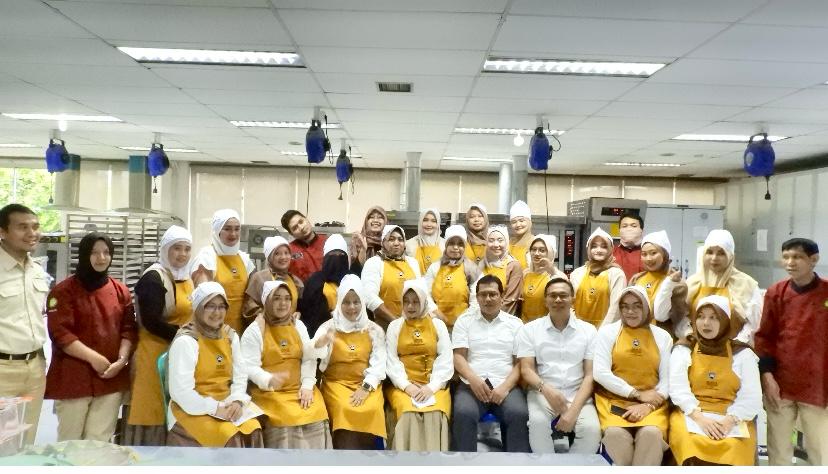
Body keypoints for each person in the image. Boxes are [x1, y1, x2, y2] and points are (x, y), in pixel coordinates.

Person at [44, 232, 137, 442]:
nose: (101, 258)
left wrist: (122, 360)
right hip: (73, 378)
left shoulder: (120, 291)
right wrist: (93, 358)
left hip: (110, 377)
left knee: (99, 441)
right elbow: (60, 333)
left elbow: (129, 329)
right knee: (70, 441)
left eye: (106, 252)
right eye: (94, 252)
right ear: (84, 254)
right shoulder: (63, 291)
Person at [755, 238, 828, 466]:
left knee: (820, 451)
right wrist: (767, 376)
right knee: (778, 451)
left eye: (797, 257)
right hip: (781, 384)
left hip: (818, 386)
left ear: (814, 260)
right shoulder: (776, 293)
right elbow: (764, 337)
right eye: (786, 257)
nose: (790, 262)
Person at [167, 282, 262, 447]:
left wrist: (237, 401)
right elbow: (181, 393)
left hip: (226, 402)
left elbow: (240, 375)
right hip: (192, 408)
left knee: (254, 429)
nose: (217, 312)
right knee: (229, 436)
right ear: (198, 308)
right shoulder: (187, 341)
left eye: (221, 307)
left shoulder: (230, 336)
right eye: (210, 306)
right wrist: (215, 407)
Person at [669, 295, 761, 466]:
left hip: (732, 418)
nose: (706, 323)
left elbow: (752, 397)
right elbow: (678, 389)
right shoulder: (684, 348)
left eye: (713, 317)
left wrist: (729, 421)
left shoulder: (742, 353)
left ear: (725, 320)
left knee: (735, 447)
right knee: (689, 442)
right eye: (701, 316)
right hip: (691, 414)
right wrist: (700, 419)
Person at [241, 280, 330, 449]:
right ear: (267, 301)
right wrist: (268, 379)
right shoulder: (255, 330)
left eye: (287, 298)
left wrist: (307, 386)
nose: (283, 303)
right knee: (286, 418)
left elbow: (308, 358)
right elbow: (249, 366)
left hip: (299, 390)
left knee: (317, 413)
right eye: (277, 298)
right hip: (270, 393)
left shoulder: (298, 325)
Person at [126, 225, 194, 446]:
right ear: (165, 249)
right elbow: (151, 322)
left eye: (187, 249)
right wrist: (185, 336)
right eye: (176, 248)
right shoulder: (154, 278)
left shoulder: (185, 277)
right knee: (153, 408)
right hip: (154, 354)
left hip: (177, 351)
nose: (182, 254)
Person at [516, 277, 601, 454]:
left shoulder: (589, 331)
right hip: (542, 392)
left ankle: (572, 466)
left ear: (573, 299)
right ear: (545, 300)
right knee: (538, 424)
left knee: (591, 430)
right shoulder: (530, 329)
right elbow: (526, 369)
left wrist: (573, 411)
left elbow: (589, 375)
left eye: (563, 295)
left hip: (578, 394)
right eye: (552, 296)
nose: (558, 300)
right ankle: (548, 466)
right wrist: (547, 390)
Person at [592, 286, 672, 465]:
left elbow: (667, 380)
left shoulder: (663, 336)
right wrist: (636, 394)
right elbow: (600, 372)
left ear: (646, 308)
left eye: (637, 306)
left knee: (651, 434)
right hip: (614, 403)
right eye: (625, 306)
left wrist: (648, 405)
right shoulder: (607, 333)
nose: (630, 311)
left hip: (653, 404)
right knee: (615, 435)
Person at [451, 274, 529, 453]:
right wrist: (474, 380)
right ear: (477, 297)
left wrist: (505, 387)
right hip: (471, 385)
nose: (488, 299)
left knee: (518, 414)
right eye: (483, 294)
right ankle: (464, 464)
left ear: (502, 297)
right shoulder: (464, 321)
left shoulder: (515, 324)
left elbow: (520, 363)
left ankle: (515, 465)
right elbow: (459, 357)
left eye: (493, 294)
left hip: (506, 385)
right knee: (464, 413)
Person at [312, 274, 387, 450]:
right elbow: (311, 352)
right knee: (343, 408)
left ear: (362, 302)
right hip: (335, 384)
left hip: (366, 384)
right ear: (339, 303)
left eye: (356, 302)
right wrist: (320, 344)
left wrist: (366, 387)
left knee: (372, 408)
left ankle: (370, 460)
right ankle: (343, 459)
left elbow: (379, 363)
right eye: (346, 302)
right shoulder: (328, 327)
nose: (352, 307)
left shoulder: (374, 330)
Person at [0, 204, 50, 446]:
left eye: (35, 227)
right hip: (3, 369)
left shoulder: (37, 270)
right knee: (3, 443)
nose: (32, 233)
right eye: (22, 227)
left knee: (26, 443)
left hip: (34, 368)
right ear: (2, 232)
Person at [384, 279, 453, 451]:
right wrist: (407, 386)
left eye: (415, 301)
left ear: (424, 302)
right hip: (403, 387)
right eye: (406, 301)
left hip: (434, 385)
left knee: (436, 412)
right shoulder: (394, 326)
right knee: (407, 412)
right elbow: (392, 361)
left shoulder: (438, 325)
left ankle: (434, 462)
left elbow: (445, 359)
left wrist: (431, 387)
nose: (410, 306)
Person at [686, 229, 761, 345]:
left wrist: (735, 345)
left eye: (721, 253)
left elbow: (753, 324)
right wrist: (689, 336)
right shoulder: (692, 283)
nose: (714, 258)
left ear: (730, 256)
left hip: (734, 350)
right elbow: (682, 319)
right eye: (709, 252)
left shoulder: (747, 285)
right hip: (696, 347)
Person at [191, 209, 255, 333]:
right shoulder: (206, 257)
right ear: (218, 230)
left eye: (237, 229)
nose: (233, 234)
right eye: (227, 229)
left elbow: (251, 297)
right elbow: (203, 300)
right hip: (212, 328)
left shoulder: (244, 259)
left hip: (241, 329)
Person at [361, 225, 433, 331]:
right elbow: (369, 297)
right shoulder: (374, 263)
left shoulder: (412, 263)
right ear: (383, 242)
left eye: (400, 239)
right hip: (384, 327)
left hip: (413, 327)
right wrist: (395, 322)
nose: (396, 243)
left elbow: (422, 293)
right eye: (391, 239)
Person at [629, 230, 689, 339]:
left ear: (665, 254)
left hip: (662, 339)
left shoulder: (677, 283)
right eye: (644, 254)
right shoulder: (636, 279)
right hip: (636, 336)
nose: (648, 258)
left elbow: (673, 318)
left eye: (653, 253)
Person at [424, 224, 480, 332]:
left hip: (464, 326)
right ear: (446, 245)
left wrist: (464, 320)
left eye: (460, 244)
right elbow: (425, 294)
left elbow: (476, 299)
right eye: (451, 243)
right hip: (436, 324)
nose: (455, 247)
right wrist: (436, 313)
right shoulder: (434, 267)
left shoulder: (472, 269)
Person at [242, 236, 303, 328]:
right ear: (269, 257)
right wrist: (272, 319)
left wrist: (298, 313)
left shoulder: (295, 281)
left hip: (290, 329)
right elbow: (249, 308)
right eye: (277, 253)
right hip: (266, 330)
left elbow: (298, 307)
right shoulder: (259, 278)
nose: (283, 257)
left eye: (286, 253)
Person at [298, 234, 352, 339]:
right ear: (326, 257)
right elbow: (309, 314)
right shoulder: (315, 281)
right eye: (332, 254)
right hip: (321, 336)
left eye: (341, 254)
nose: (337, 257)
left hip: (349, 335)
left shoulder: (352, 279)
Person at [570, 228, 626, 327]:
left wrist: (602, 332)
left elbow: (615, 308)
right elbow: (570, 303)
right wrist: (576, 327)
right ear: (588, 249)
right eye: (594, 246)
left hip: (605, 330)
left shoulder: (617, 274)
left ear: (611, 249)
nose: (599, 250)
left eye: (604, 247)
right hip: (578, 329)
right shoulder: (577, 273)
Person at [521, 234, 567, 323]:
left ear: (550, 253)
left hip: (548, 325)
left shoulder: (558, 276)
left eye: (542, 250)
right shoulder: (525, 274)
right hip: (525, 324)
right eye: (533, 249)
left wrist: (552, 271)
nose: (536, 253)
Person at [480, 225, 523, 315]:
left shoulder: (513, 265)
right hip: (479, 316)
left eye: (500, 240)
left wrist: (493, 318)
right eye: (491, 240)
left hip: (503, 318)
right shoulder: (481, 264)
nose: (496, 245)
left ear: (506, 242)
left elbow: (510, 300)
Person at [281, 209, 328, 282]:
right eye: (295, 228)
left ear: (306, 219)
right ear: (291, 234)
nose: (301, 228)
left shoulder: (328, 242)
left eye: (301, 222)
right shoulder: (288, 250)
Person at [405, 208, 445, 274]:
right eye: (425, 220)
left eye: (433, 221)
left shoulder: (445, 245)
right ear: (420, 222)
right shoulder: (409, 244)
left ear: (438, 224)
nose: (429, 224)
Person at [349, 206, 387, 271]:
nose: (375, 220)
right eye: (371, 217)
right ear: (366, 221)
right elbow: (354, 269)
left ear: (385, 221)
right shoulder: (358, 241)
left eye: (380, 217)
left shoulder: (389, 242)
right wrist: (363, 250)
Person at [613, 212, 644, 281]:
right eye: (624, 226)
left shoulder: (648, 253)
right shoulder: (611, 253)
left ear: (641, 230)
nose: (629, 229)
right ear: (619, 230)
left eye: (634, 226)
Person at [508, 200, 534, 270]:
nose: (518, 225)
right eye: (514, 222)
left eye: (521, 221)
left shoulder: (535, 242)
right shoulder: (509, 242)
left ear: (529, 222)